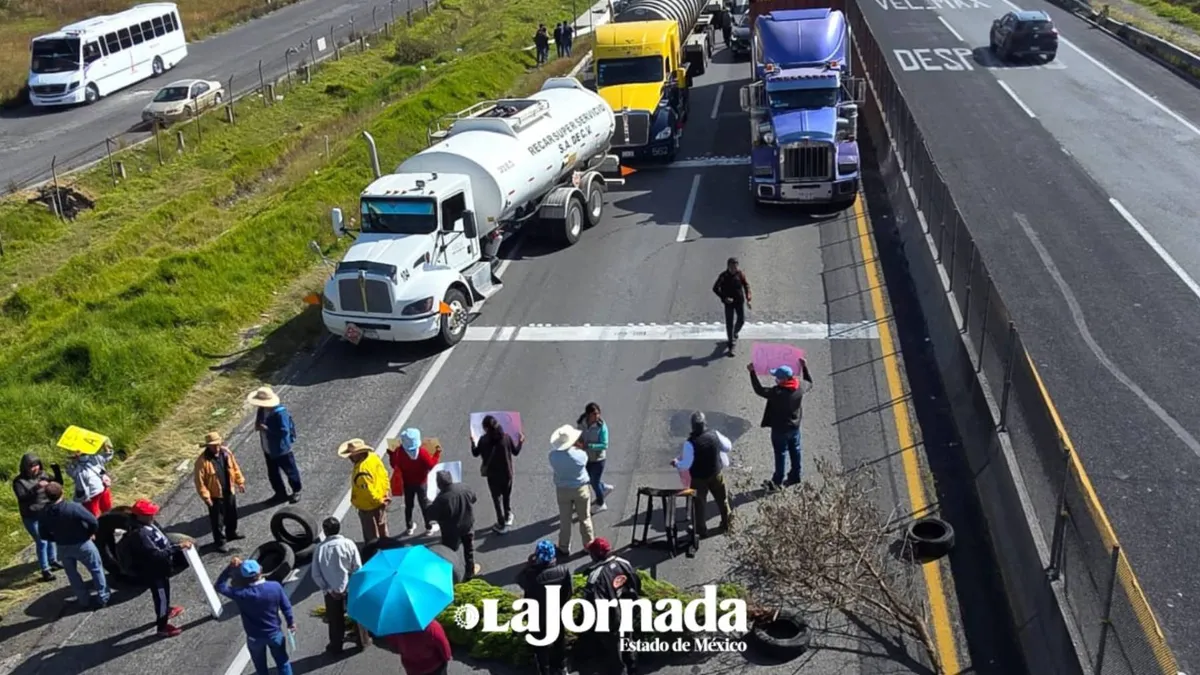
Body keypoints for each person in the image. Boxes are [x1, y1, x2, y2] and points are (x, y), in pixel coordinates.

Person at [122, 499, 191, 637]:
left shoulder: (148, 525)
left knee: (163, 596)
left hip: (161, 568)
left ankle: (166, 610)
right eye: (149, 514)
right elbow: (156, 554)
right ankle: (162, 626)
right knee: (161, 597)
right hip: (154, 572)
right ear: (140, 516)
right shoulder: (141, 534)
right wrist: (178, 547)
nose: (153, 516)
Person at [215, 557, 296, 675]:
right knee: (282, 662)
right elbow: (286, 607)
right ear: (261, 570)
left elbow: (220, 586)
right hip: (274, 633)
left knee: (260, 666)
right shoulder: (275, 587)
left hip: (254, 637)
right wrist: (290, 622)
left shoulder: (240, 593)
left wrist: (229, 568)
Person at [38, 482, 110, 608]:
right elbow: (93, 521)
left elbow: (43, 534)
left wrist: (56, 538)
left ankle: (83, 600)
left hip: (62, 546)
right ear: (62, 492)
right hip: (82, 543)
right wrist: (89, 533)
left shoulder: (44, 513)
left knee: (72, 574)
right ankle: (103, 597)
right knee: (96, 569)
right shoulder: (72, 507)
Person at [747, 359, 811, 490]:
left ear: (783, 379)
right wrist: (804, 368)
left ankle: (777, 481)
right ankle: (795, 475)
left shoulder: (777, 393)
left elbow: (759, 390)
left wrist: (752, 373)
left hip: (779, 430)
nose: (775, 379)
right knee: (795, 450)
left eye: (777, 377)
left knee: (780, 453)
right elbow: (810, 382)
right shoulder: (800, 387)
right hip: (794, 427)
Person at [583, 538, 641, 675]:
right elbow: (636, 584)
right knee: (628, 637)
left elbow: (594, 603)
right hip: (627, 609)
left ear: (596, 555)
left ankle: (620, 670)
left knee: (614, 649)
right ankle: (632, 665)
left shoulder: (595, 577)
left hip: (611, 619)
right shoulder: (624, 563)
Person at [671, 412, 733, 537]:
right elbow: (727, 447)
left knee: (700, 505)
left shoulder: (690, 443)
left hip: (699, 479)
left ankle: (701, 530)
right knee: (722, 500)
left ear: (692, 426)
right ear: (705, 423)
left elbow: (686, 464)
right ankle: (727, 523)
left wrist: (677, 463)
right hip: (716, 474)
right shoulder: (714, 434)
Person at [517, 540, 573, 675]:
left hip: (537, 616)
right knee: (559, 640)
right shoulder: (563, 571)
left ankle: (544, 670)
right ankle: (561, 667)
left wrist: (529, 565)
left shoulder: (532, 575)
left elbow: (520, 580)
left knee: (540, 644)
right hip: (556, 612)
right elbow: (568, 593)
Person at [312, 516, 366, 654]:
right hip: (351, 588)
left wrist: (329, 589)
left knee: (335, 621)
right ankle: (363, 642)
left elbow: (316, 574)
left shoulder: (320, 549)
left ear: (325, 531)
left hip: (331, 592)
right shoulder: (349, 544)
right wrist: (348, 587)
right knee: (357, 616)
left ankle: (336, 646)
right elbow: (358, 568)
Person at [470, 415, 524, 533]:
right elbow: (515, 452)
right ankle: (508, 514)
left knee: (496, 499)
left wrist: (473, 442)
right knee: (506, 495)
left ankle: (501, 522)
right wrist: (520, 442)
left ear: (486, 428)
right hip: (507, 473)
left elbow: (475, 453)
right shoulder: (506, 438)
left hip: (492, 476)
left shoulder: (483, 441)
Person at [193, 432, 246, 553]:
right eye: (213, 445)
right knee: (217, 521)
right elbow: (199, 482)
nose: (216, 447)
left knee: (232, 513)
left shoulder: (226, 453)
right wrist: (206, 497)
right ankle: (220, 542)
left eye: (217, 444)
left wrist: (240, 482)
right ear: (208, 446)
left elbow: (235, 467)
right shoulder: (202, 462)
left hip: (229, 489)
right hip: (215, 496)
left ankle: (231, 533)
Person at [248, 386, 302, 504]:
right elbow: (259, 420)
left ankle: (296, 490)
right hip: (268, 447)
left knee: (290, 470)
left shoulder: (280, 413)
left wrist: (267, 429)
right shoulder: (262, 409)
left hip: (281, 449)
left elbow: (284, 431)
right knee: (273, 473)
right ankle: (280, 493)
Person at [13, 452, 62, 581]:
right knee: (41, 541)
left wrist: (56, 470)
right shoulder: (19, 481)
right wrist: (36, 488)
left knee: (51, 536)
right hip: (31, 516)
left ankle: (53, 560)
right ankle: (45, 570)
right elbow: (22, 497)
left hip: (45, 511)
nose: (35, 468)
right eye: (31, 466)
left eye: (36, 465)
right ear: (25, 467)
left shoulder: (43, 475)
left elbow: (58, 484)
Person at [548, 424, 595, 557]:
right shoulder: (580, 455)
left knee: (565, 520)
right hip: (580, 489)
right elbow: (585, 460)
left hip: (563, 490)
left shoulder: (553, 456)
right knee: (584, 518)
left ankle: (563, 547)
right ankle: (589, 545)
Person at [426, 470, 480, 578]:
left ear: (439, 484)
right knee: (468, 549)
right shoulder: (464, 487)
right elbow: (474, 499)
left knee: (449, 552)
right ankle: (470, 570)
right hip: (467, 524)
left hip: (451, 531)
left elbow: (431, 515)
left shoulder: (441, 499)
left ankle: (450, 575)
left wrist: (428, 503)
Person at [387, 428, 440, 536]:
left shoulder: (399, 452)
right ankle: (428, 526)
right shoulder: (422, 453)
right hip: (421, 483)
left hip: (407, 483)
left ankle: (409, 526)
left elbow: (394, 465)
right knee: (424, 505)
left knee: (409, 505)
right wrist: (437, 454)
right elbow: (431, 465)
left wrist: (391, 455)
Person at [339, 438, 391, 544]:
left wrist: (379, 500)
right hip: (382, 496)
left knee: (371, 533)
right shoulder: (373, 457)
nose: (350, 458)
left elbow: (369, 493)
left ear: (358, 454)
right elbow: (384, 474)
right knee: (382, 527)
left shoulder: (362, 471)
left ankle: (374, 552)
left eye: (351, 455)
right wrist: (386, 492)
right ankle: (387, 546)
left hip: (369, 506)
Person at [576, 403, 613, 512]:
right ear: (588, 415)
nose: (597, 416)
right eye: (594, 414)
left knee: (594, 482)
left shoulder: (601, 426)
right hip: (585, 457)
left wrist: (589, 446)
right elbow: (579, 435)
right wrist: (578, 443)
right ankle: (603, 488)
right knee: (588, 479)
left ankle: (601, 503)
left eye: (598, 413)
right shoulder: (581, 423)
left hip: (598, 459)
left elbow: (604, 445)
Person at [712, 257, 753, 354]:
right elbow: (715, 288)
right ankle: (731, 344)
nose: (735, 269)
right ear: (728, 266)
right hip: (728, 303)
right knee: (729, 323)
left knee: (741, 320)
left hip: (739, 301)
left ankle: (735, 332)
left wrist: (748, 299)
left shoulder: (740, 274)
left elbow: (746, 285)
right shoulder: (723, 276)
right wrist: (724, 298)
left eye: (736, 266)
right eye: (733, 267)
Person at [386, 618, 453, 675]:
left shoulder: (395, 628)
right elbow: (444, 647)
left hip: (412, 669)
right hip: (435, 667)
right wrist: (446, 657)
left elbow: (394, 645)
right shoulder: (431, 626)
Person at [65, 441, 114, 517]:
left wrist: (105, 446)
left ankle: (108, 523)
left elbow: (107, 455)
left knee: (104, 511)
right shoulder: (78, 465)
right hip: (91, 494)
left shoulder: (94, 459)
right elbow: (69, 470)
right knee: (97, 514)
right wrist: (73, 460)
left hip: (100, 489)